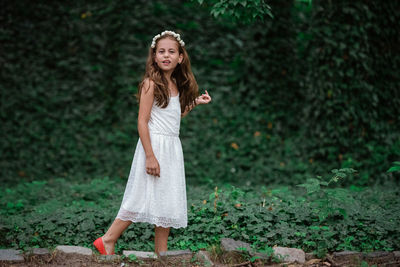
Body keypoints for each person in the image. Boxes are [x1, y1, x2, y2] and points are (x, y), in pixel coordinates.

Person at [93, 30, 212, 256]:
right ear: (154, 56)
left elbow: (173, 116)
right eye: (161, 52)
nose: (166, 56)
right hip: (154, 146)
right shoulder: (151, 83)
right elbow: (142, 121)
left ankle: (161, 253)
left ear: (180, 57)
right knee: (139, 195)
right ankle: (107, 239)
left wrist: (195, 102)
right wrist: (150, 155)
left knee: (166, 199)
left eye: (171, 52)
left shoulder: (175, 84)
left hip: (171, 148)